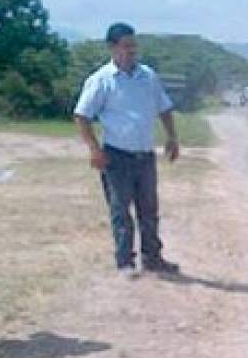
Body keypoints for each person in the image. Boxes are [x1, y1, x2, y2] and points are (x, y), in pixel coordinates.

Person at [75, 22, 181, 279]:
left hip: (144, 155)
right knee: (121, 211)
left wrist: (172, 137)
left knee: (149, 210)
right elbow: (82, 116)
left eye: (134, 45)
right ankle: (125, 261)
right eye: (126, 46)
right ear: (112, 48)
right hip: (117, 156)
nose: (131, 51)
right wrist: (94, 150)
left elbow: (164, 108)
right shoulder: (102, 80)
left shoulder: (148, 76)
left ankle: (153, 258)